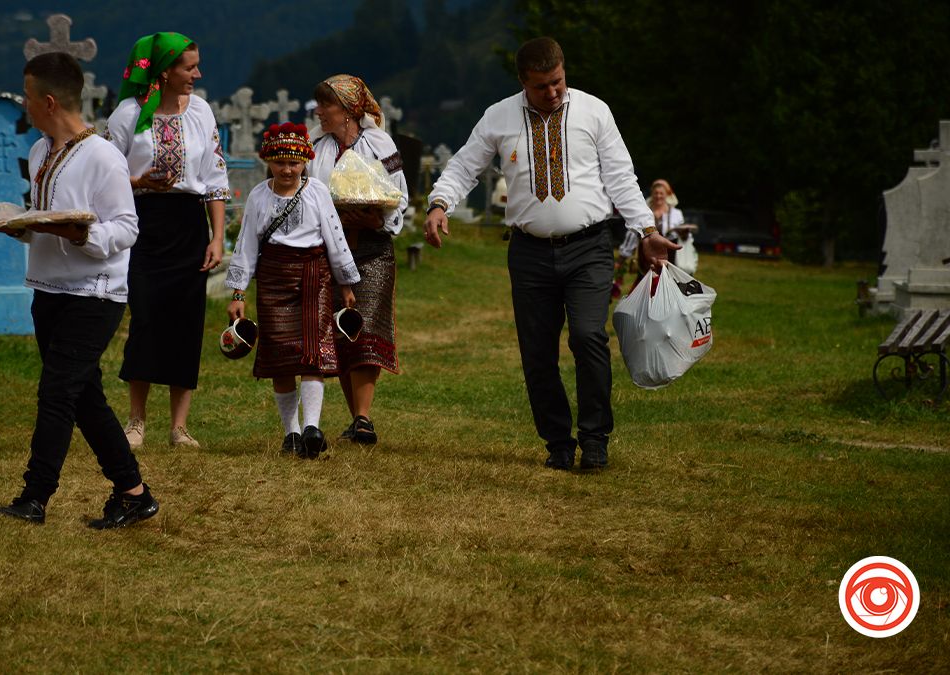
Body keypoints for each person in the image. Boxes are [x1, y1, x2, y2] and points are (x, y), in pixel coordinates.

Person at [424, 37, 678, 471]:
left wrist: (647, 229)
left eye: (558, 81)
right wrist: (438, 203)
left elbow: (620, 176)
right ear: (523, 82)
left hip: (590, 246)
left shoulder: (594, 110)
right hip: (529, 253)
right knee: (537, 351)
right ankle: (558, 443)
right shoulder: (499, 117)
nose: (554, 92)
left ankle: (595, 438)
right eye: (542, 86)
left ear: (564, 72)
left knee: (587, 336)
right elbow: (466, 165)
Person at [0, 51, 158, 529]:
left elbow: (126, 229)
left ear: (48, 101)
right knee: (84, 397)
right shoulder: (40, 151)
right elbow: (44, 216)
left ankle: (35, 496)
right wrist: (20, 227)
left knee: (57, 394)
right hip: (48, 288)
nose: (23, 105)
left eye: (27, 97)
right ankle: (133, 493)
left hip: (95, 292)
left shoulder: (103, 156)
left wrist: (82, 235)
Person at [105, 32, 229, 450]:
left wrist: (217, 237)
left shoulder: (202, 112)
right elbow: (106, 174)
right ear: (164, 71)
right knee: (145, 318)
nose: (197, 73)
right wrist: (139, 181)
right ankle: (136, 421)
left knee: (185, 322)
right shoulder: (126, 114)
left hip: (188, 223)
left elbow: (214, 177)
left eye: (196, 65)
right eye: (189, 67)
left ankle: (179, 427)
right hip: (143, 221)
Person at [225, 122, 360, 458]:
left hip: (314, 277)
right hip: (272, 278)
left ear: (305, 162)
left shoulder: (317, 193)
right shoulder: (258, 196)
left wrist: (345, 283)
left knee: (313, 352)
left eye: (294, 163)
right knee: (281, 357)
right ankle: (292, 433)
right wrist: (238, 293)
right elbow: (246, 246)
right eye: (280, 162)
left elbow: (335, 239)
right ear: (267, 160)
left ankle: (313, 426)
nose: (287, 170)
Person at [309, 74, 408, 445]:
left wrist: (379, 217)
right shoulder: (316, 147)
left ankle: (364, 416)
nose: (319, 112)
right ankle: (357, 420)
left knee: (363, 325)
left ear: (349, 111)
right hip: (329, 251)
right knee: (340, 332)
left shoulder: (379, 143)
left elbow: (399, 192)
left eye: (326, 106)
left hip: (372, 248)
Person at [616, 178, 684, 289]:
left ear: (667, 195)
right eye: (656, 193)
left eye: (661, 193)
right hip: (647, 259)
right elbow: (632, 235)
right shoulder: (644, 214)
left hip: (669, 260)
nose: (658, 196)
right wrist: (621, 259)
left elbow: (683, 239)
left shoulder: (676, 214)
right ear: (652, 194)